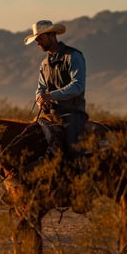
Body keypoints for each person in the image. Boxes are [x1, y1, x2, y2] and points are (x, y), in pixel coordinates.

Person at [25, 19, 88, 161]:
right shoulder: (44, 64)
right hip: (50, 116)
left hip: (72, 113)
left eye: (40, 38)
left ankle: (80, 175)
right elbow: (40, 88)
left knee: (73, 152)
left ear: (52, 35)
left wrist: (51, 96)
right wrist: (40, 100)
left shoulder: (73, 56)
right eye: (36, 39)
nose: (38, 42)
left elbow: (78, 86)